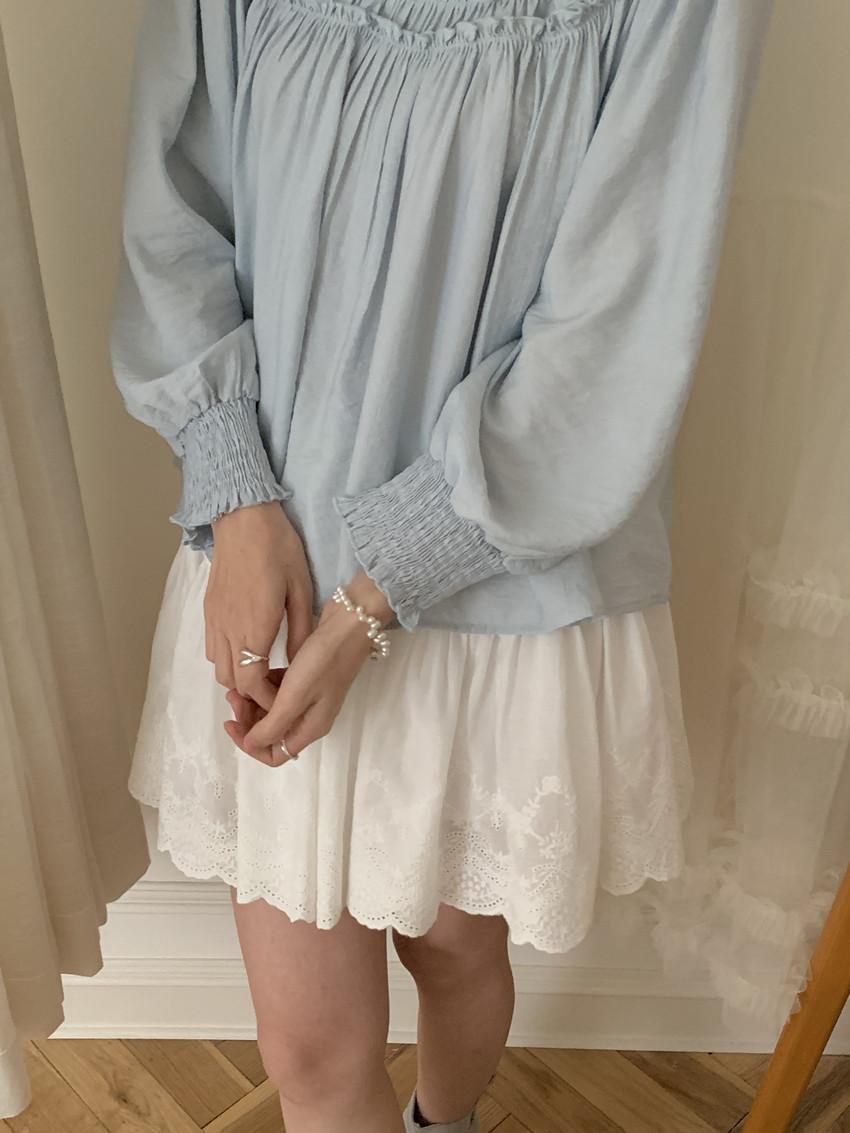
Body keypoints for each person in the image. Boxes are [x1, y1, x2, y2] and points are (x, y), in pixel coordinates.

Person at [109, 0, 772, 1129]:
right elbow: (174, 207)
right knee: (308, 1044)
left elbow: (621, 315)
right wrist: (236, 494)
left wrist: (387, 582)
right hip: (273, 560)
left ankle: (444, 1119)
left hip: (499, 572)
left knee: (455, 953)